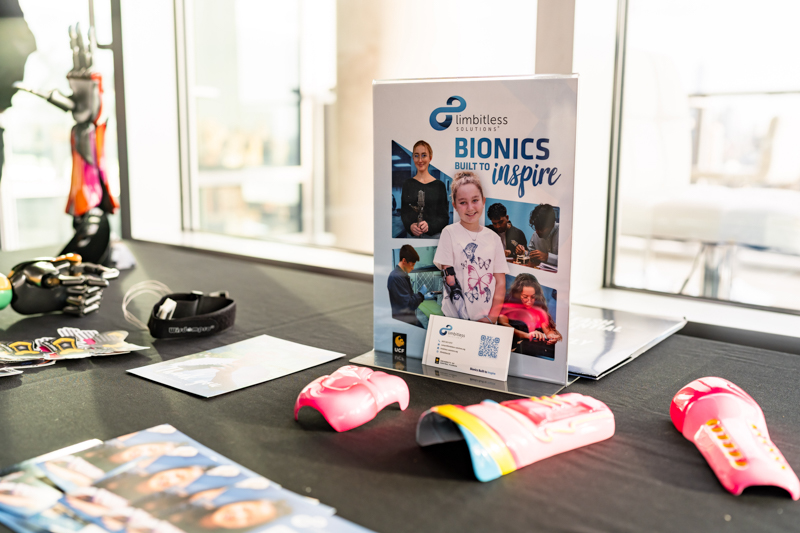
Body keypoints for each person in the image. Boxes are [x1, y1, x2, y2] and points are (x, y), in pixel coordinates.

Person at [434, 171, 508, 323]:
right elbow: (450, 279)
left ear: (483, 201)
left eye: (475, 200)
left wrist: (491, 318)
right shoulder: (449, 233)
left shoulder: (494, 238)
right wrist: (463, 321)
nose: (470, 208)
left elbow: (500, 282)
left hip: (486, 319)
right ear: (454, 205)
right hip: (455, 319)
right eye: (463, 202)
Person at [499, 273, 562, 360]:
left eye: (533, 297)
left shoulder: (539, 309)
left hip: (536, 355)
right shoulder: (507, 305)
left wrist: (552, 336)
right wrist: (528, 335)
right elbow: (504, 325)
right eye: (525, 297)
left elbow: (548, 331)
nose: (529, 301)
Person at [400, 141, 449, 238]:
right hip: (412, 238)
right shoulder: (407, 184)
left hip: (433, 237)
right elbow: (404, 213)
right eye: (416, 155)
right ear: (413, 158)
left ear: (430, 158)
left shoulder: (439, 185)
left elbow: (444, 218)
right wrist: (410, 226)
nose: (420, 160)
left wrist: (430, 226)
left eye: (424, 155)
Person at [387, 244, 435, 327]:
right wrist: (421, 294)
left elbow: (408, 299)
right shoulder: (396, 277)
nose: (413, 268)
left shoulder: (401, 276)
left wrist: (424, 297)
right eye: (412, 264)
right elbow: (408, 305)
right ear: (404, 261)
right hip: (403, 320)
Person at [527, 204, 559, 268]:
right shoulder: (535, 234)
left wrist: (547, 257)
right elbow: (529, 252)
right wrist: (527, 253)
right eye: (536, 228)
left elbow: (567, 260)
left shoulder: (562, 232)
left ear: (552, 224)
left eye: (541, 229)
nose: (537, 232)